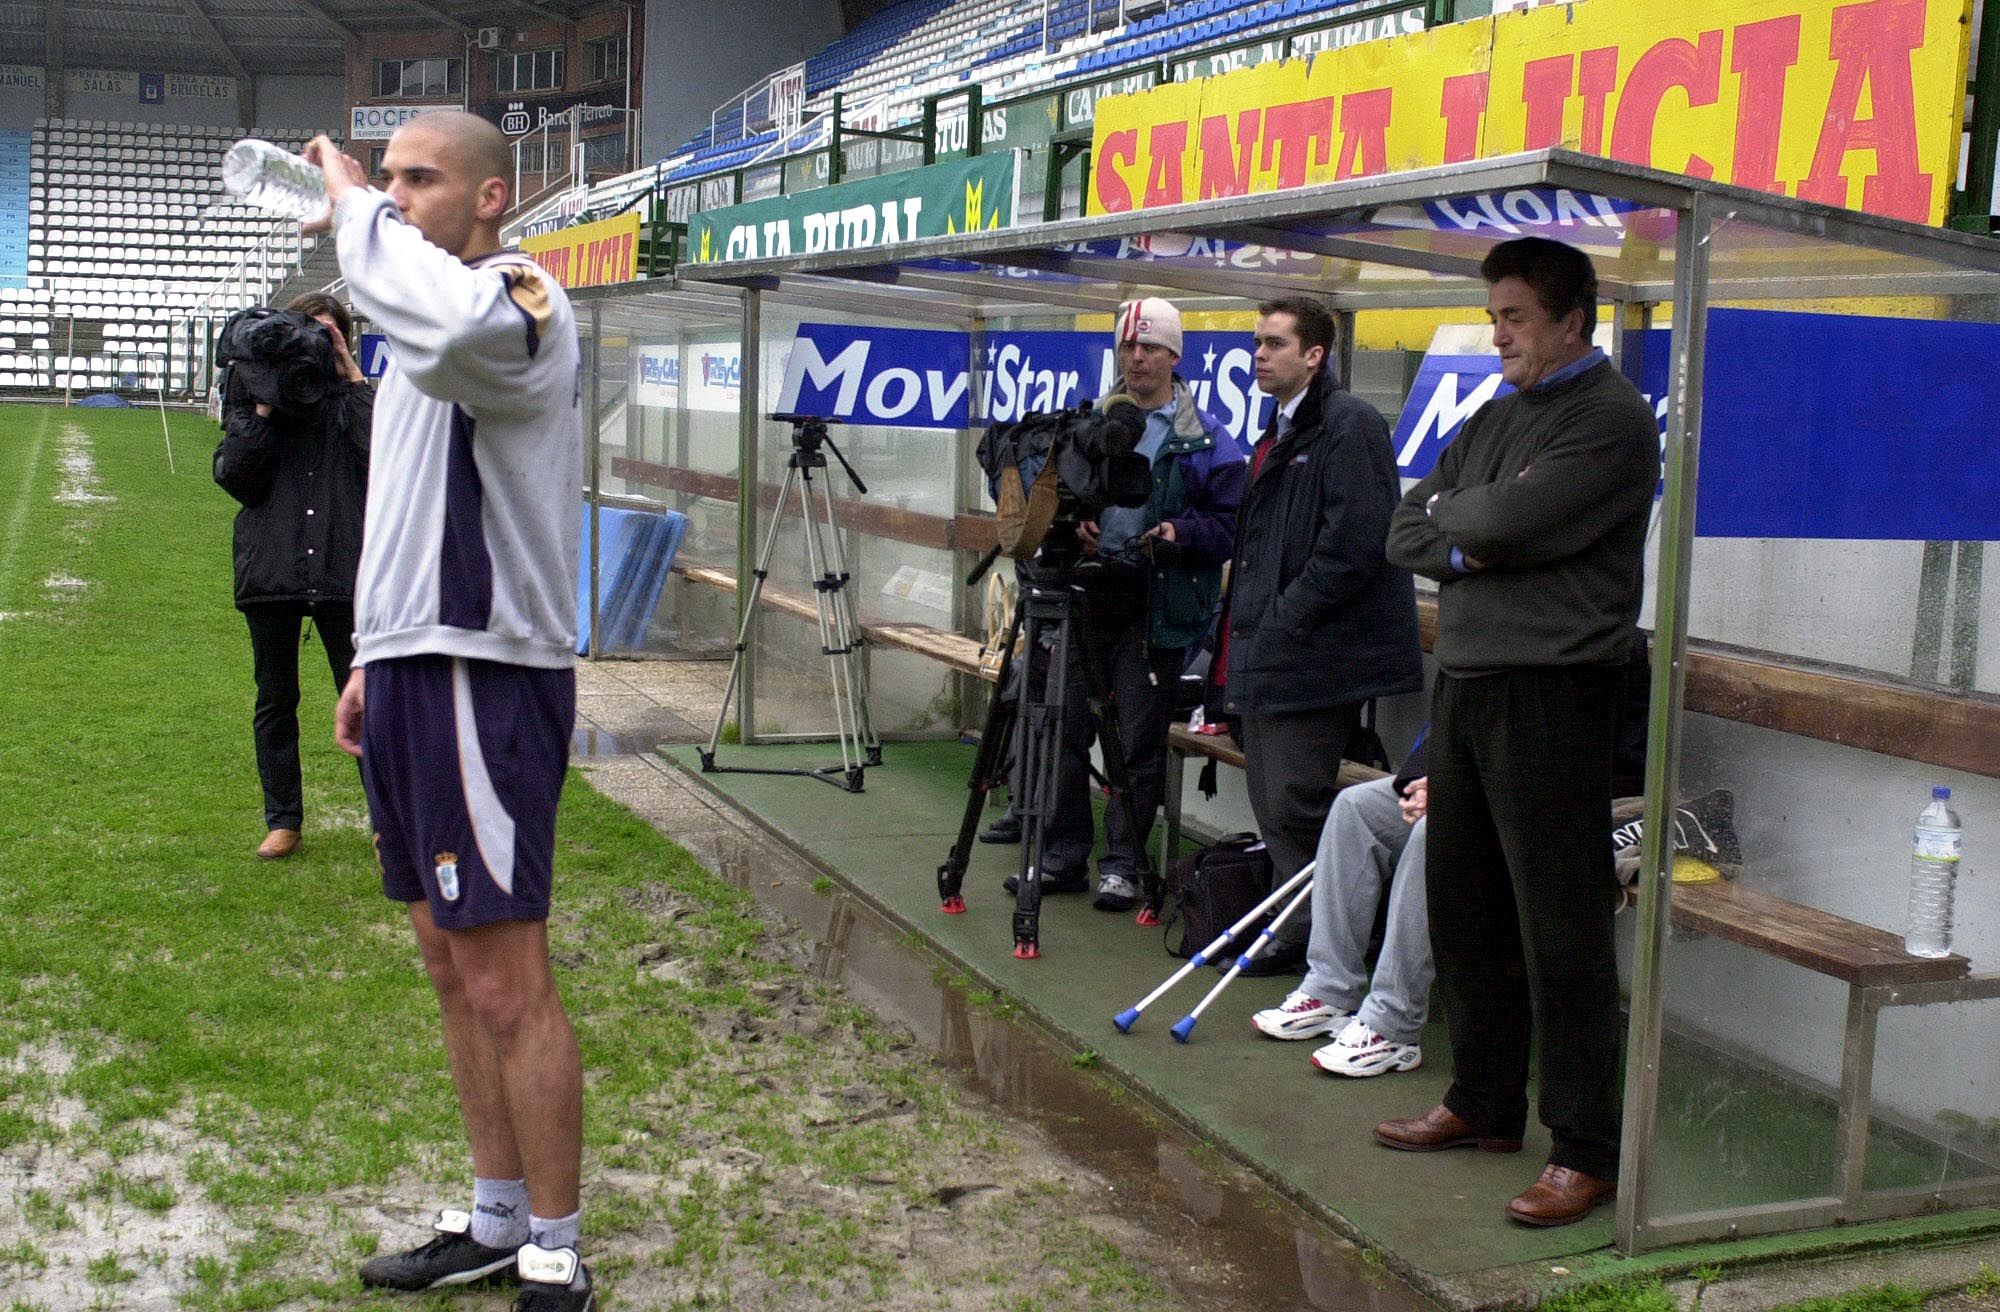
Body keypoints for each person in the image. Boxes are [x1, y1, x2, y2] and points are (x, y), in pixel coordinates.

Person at [307, 112, 594, 1309]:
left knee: (503, 975)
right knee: (443, 956)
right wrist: (373, 653)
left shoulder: (517, 296)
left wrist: (349, 212)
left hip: (487, 668)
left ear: (490, 197)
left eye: (420, 180)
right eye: (386, 181)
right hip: (418, 663)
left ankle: (557, 1250)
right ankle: (492, 1216)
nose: (395, 197)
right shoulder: (417, 319)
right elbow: (410, 501)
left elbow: (448, 312)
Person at [1380, 236, 1660, 1229]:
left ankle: (1582, 1150)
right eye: (1493, 313)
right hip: (1461, 685)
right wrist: (1472, 535)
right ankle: (1482, 1102)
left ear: (1569, 320)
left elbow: (1494, 523)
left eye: (1512, 316)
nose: (1496, 332)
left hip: (1552, 696)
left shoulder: (1610, 418)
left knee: (1561, 928)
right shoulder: (1499, 413)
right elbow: (1407, 526)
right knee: (1464, 908)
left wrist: (1471, 533)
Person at [1007, 298, 1244, 912]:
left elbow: (1231, 525)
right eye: (1128, 346)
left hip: (1156, 605)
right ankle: (1061, 856)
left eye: (1151, 347)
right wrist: (1076, 521)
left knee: (1135, 741)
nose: (1137, 357)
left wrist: (1177, 534)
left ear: (1174, 355)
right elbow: (1054, 491)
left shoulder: (1208, 439)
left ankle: (1123, 864)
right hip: (1084, 597)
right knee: (1061, 728)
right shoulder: (1089, 422)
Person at [1210, 296, 1423, 957]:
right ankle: (1298, 930)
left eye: (1274, 343)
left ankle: (1316, 941)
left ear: (1314, 354)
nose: (1259, 356)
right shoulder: (1280, 430)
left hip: (1315, 657)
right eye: (1256, 343)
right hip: (1270, 653)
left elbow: (1359, 541)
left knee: (1297, 804)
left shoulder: (1348, 424)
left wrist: (1287, 617)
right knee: (1275, 804)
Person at [213, 291, 373, 861]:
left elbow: (382, 461)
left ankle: (386, 824)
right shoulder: (254, 397)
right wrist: (262, 403)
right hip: (273, 567)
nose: (315, 344)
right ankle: (283, 820)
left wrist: (350, 375)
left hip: (341, 568)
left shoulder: (352, 399)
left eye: (329, 335)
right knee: (275, 700)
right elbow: (235, 477)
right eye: (307, 332)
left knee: (363, 701)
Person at [1249, 735, 1431, 1078]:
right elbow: (1445, 716)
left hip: (1529, 798)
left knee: (1434, 831)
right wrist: (1422, 781)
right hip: (1464, 777)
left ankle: (1395, 1026)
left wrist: (1456, 787)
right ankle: (1331, 988)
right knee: (1356, 807)